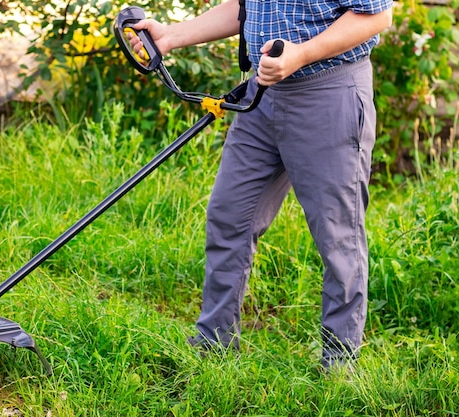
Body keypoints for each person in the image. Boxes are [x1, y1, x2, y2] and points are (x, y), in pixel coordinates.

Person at [130, 0, 393, 368]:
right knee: (229, 216)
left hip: (328, 94)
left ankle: (339, 365)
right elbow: (244, 6)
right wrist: (171, 36)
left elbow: (376, 15)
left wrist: (300, 54)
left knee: (338, 237)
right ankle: (214, 345)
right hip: (263, 97)